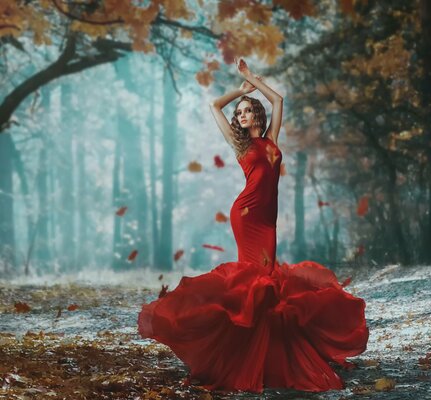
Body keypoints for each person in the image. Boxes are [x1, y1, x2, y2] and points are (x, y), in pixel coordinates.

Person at [137, 58, 369, 393]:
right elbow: (214, 105)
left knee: (268, 280)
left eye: (247, 111)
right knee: (255, 279)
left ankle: (264, 351)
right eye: (240, 112)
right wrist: (238, 91)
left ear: (256, 115)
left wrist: (253, 80)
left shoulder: (271, 139)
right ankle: (243, 355)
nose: (242, 116)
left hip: (267, 220)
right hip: (246, 215)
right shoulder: (240, 144)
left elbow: (279, 101)